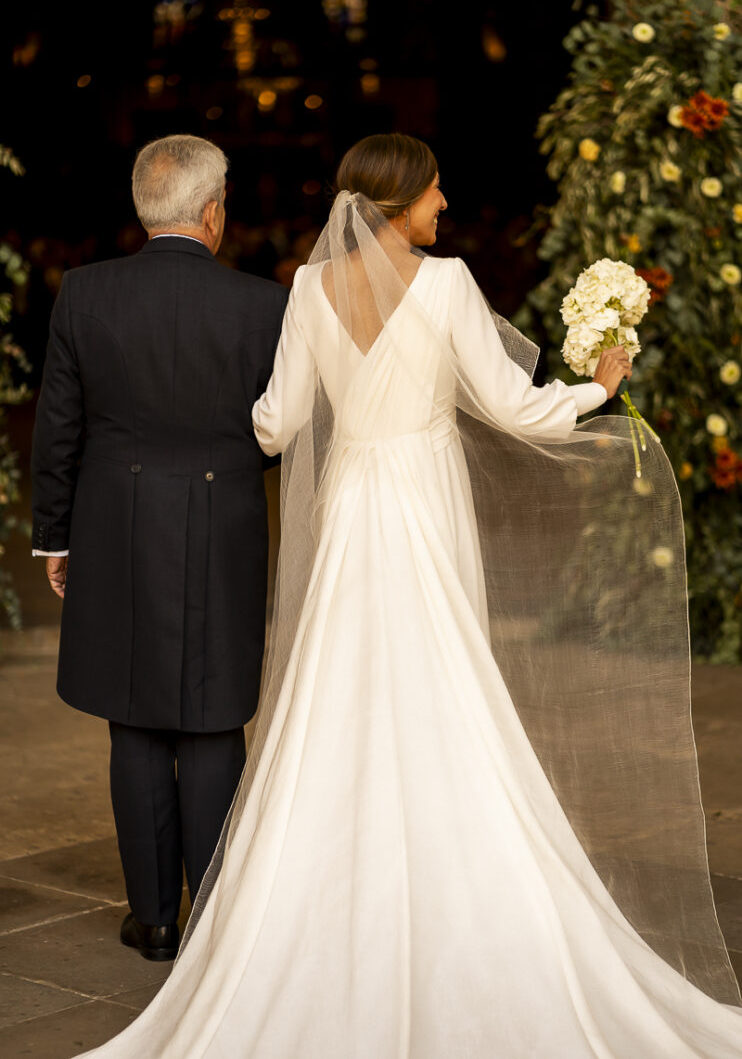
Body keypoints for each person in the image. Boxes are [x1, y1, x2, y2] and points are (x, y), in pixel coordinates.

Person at [73, 133, 742, 1057]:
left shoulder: (311, 290)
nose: (445, 204)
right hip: (424, 506)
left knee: (338, 698)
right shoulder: (448, 283)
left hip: (352, 508)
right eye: (434, 191)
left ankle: (324, 889)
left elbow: (275, 424)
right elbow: (510, 404)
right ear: (398, 202)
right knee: (443, 686)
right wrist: (592, 392)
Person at [31, 134, 287, 962]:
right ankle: (211, 911)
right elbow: (277, 435)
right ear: (213, 212)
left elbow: (58, 425)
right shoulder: (262, 306)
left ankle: (155, 920)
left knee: (135, 721)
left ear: (145, 206)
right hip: (224, 529)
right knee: (213, 721)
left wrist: (55, 537)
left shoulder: (85, 293)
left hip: (115, 527)